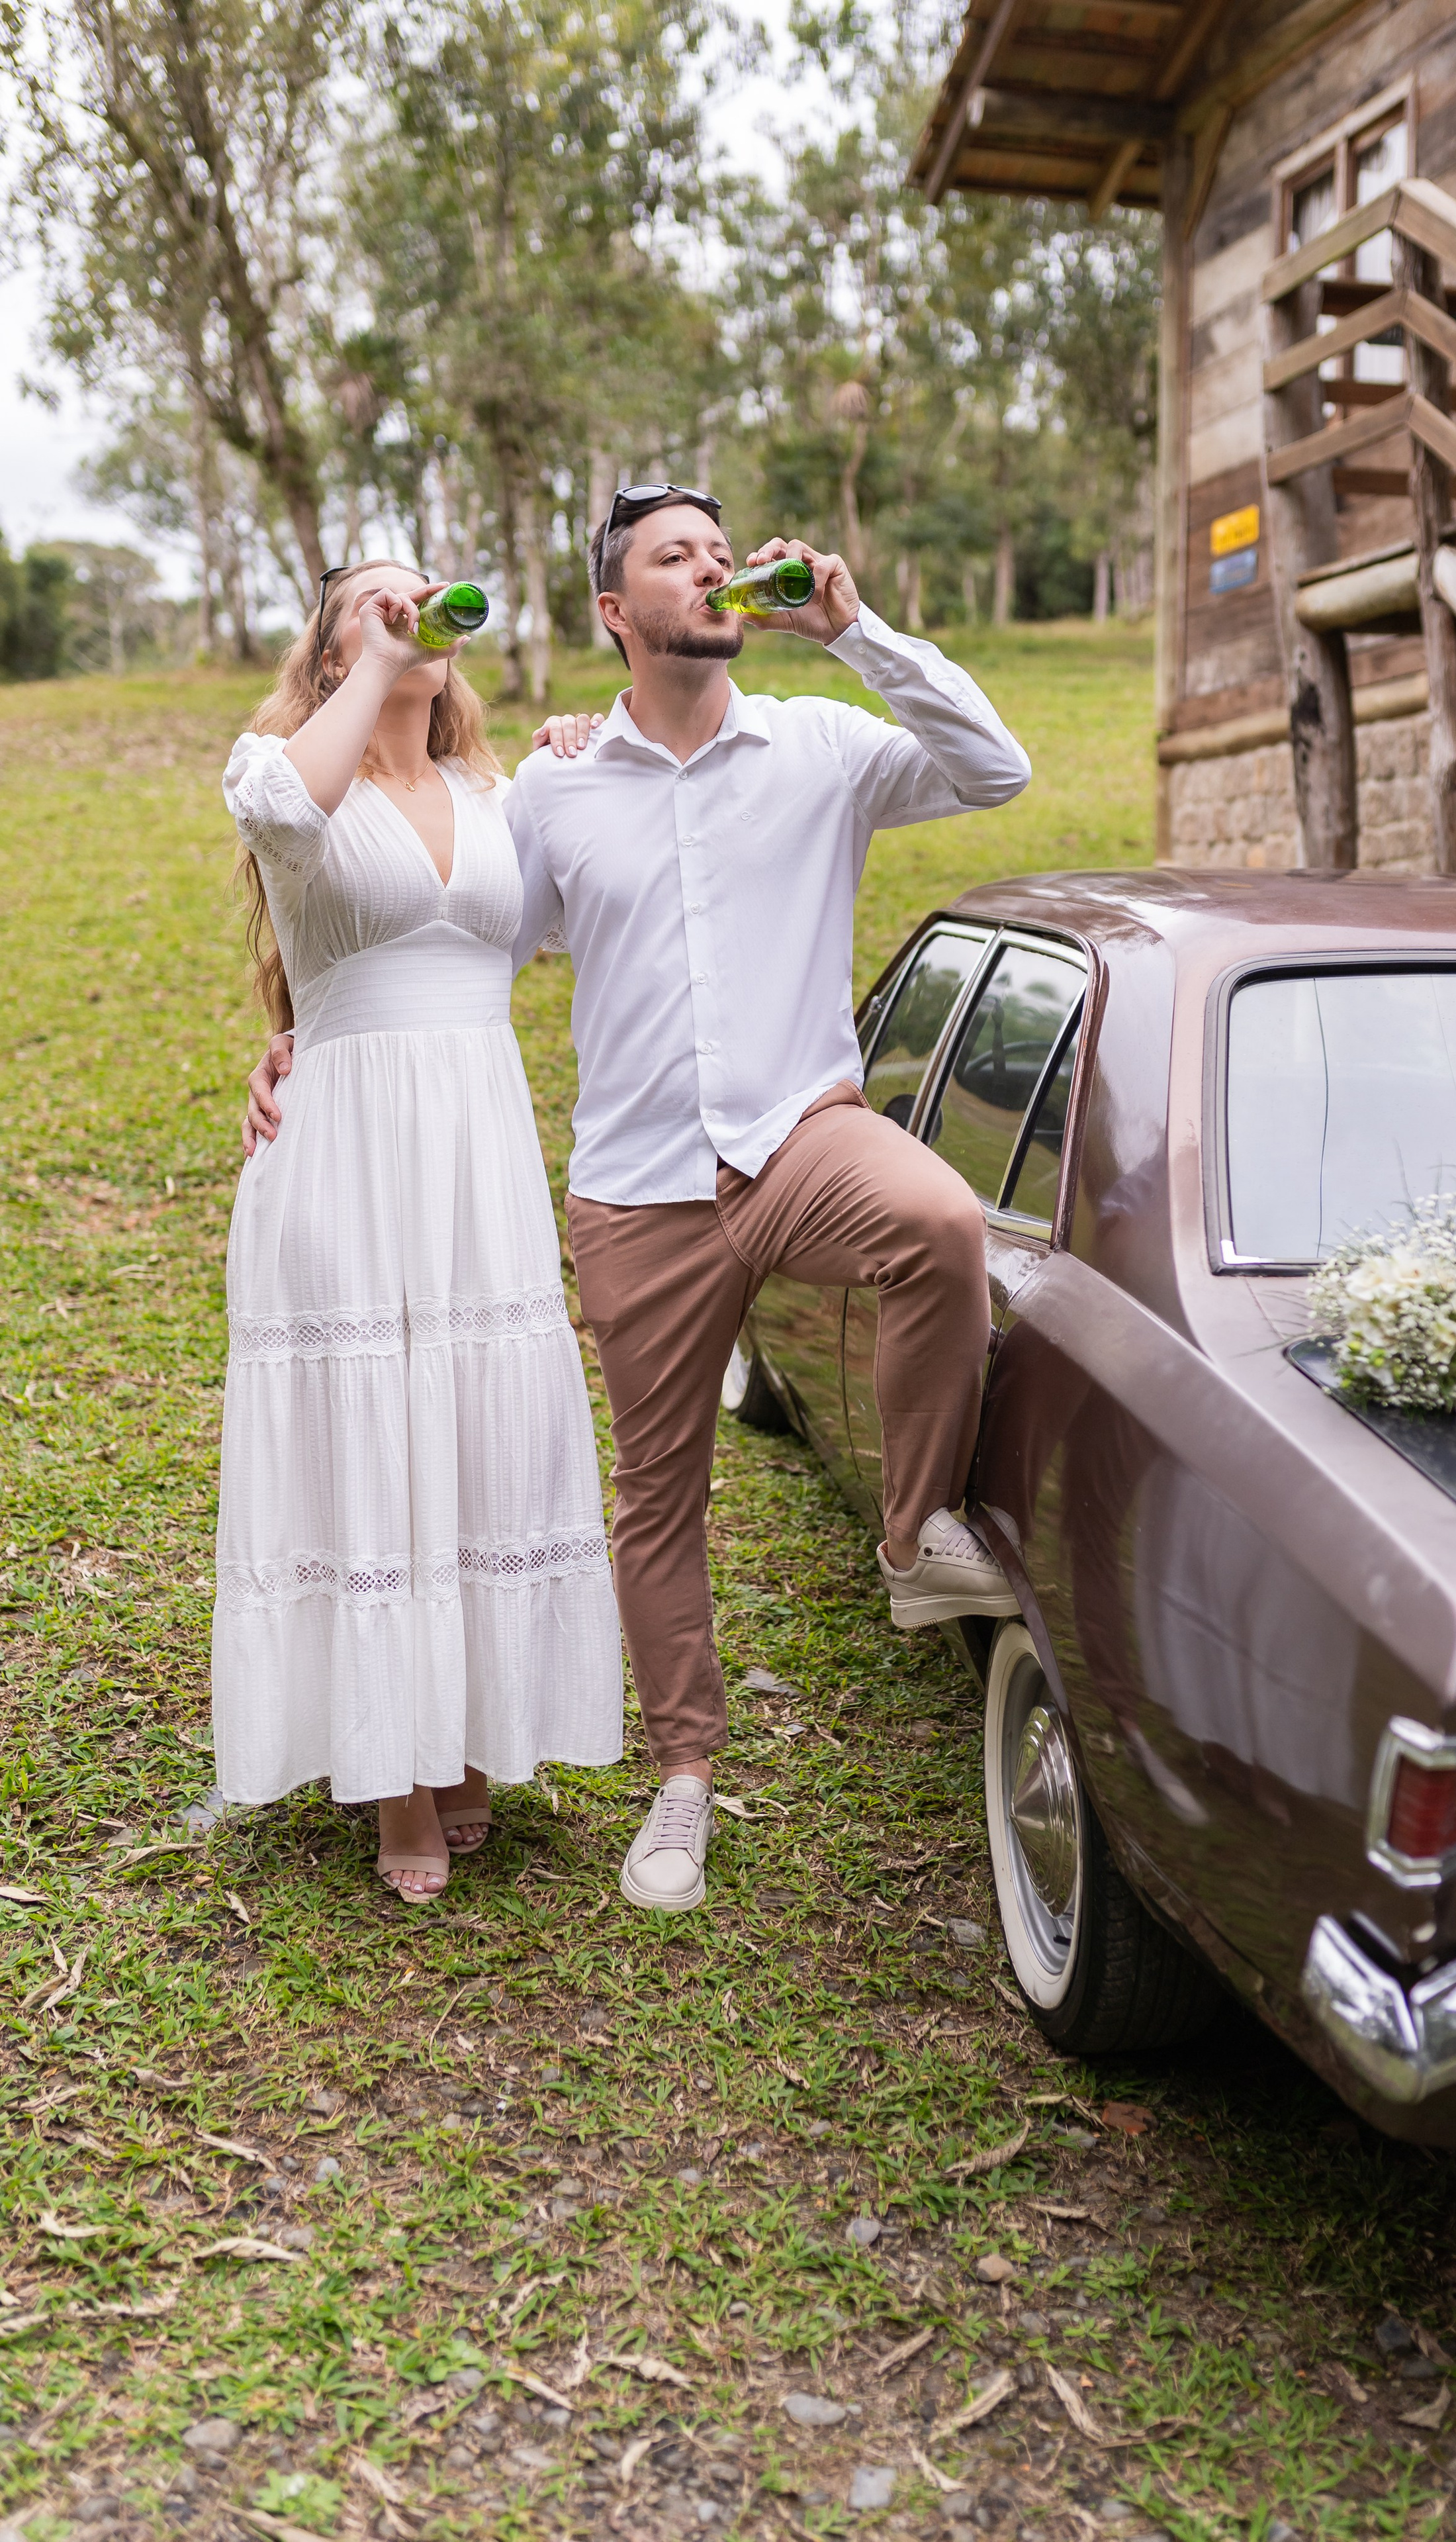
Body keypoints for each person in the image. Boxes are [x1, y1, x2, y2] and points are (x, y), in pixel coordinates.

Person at [248, 489, 1030, 1915]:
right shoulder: (548, 787)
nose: (714, 570)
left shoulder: (821, 744)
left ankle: (914, 1540)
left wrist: (857, 635)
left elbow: (993, 769)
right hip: (635, 1188)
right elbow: (459, 937)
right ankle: (682, 1782)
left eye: (720, 553)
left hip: (801, 1138)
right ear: (616, 611)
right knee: (655, 1497)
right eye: (677, 557)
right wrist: (311, 1028)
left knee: (939, 1226)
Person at [220, 561, 621, 1901]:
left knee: (476, 1436)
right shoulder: (282, 768)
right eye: (371, 604)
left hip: (478, 1158)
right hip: (347, 1156)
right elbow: (283, 805)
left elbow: (577, 909)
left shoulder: (498, 800)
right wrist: (383, 665)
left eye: (422, 597)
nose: (409, 611)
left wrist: (573, 752)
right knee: (376, 1433)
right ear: (331, 655)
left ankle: (465, 1742)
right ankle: (390, 1773)